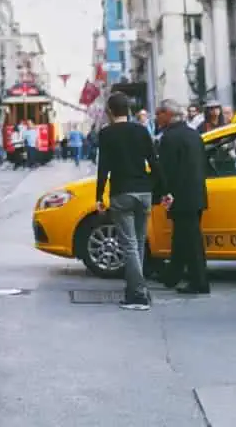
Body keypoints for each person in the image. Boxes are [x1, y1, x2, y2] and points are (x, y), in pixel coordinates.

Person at [96, 92, 162, 311]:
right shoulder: (142, 130)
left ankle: (138, 294)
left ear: (110, 111)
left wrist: (99, 196)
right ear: (129, 110)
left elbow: (103, 167)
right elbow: (154, 161)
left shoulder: (106, 134)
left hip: (122, 192)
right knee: (139, 243)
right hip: (143, 193)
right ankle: (135, 287)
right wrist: (161, 188)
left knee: (130, 245)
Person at [155, 99, 210, 294]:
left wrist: (161, 193)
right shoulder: (194, 135)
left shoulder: (169, 138)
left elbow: (166, 170)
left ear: (167, 114)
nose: (156, 117)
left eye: (158, 113)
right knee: (181, 237)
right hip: (196, 194)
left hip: (180, 195)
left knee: (191, 240)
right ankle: (173, 275)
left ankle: (199, 281)